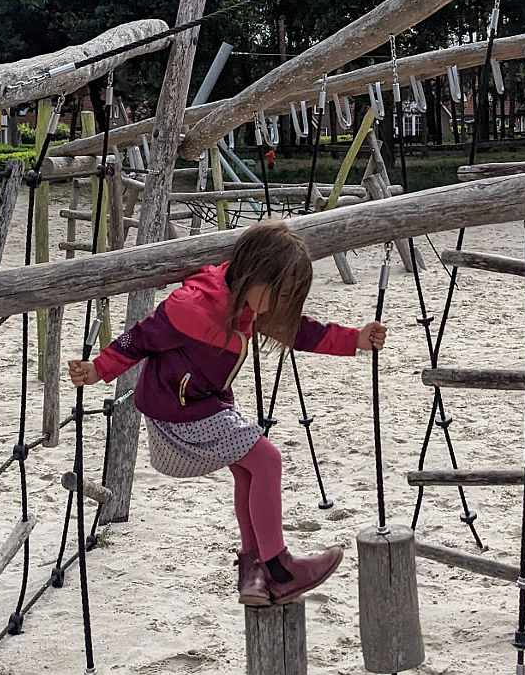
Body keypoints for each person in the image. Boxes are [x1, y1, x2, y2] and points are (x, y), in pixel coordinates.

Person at [68, 220, 387, 605]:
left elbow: (297, 331)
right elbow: (140, 336)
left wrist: (355, 339)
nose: (276, 307)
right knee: (267, 460)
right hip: (180, 416)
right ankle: (281, 569)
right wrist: (99, 368)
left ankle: (254, 573)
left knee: (248, 468)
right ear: (254, 273)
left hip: (203, 407)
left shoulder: (248, 300)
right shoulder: (190, 307)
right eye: (278, 295)